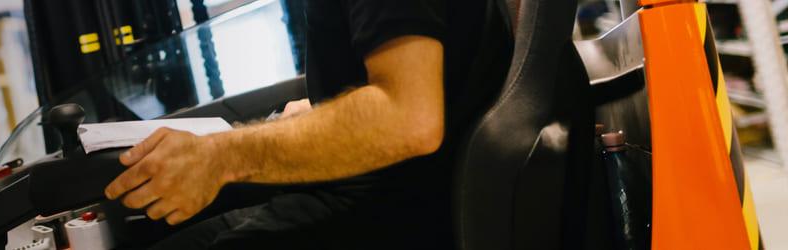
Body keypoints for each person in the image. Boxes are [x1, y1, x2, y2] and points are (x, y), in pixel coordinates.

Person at [104, 0, 510, 248]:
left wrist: (219, 156)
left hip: (402, 211)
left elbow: (409, 118)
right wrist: (321, 114)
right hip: (407, 188)